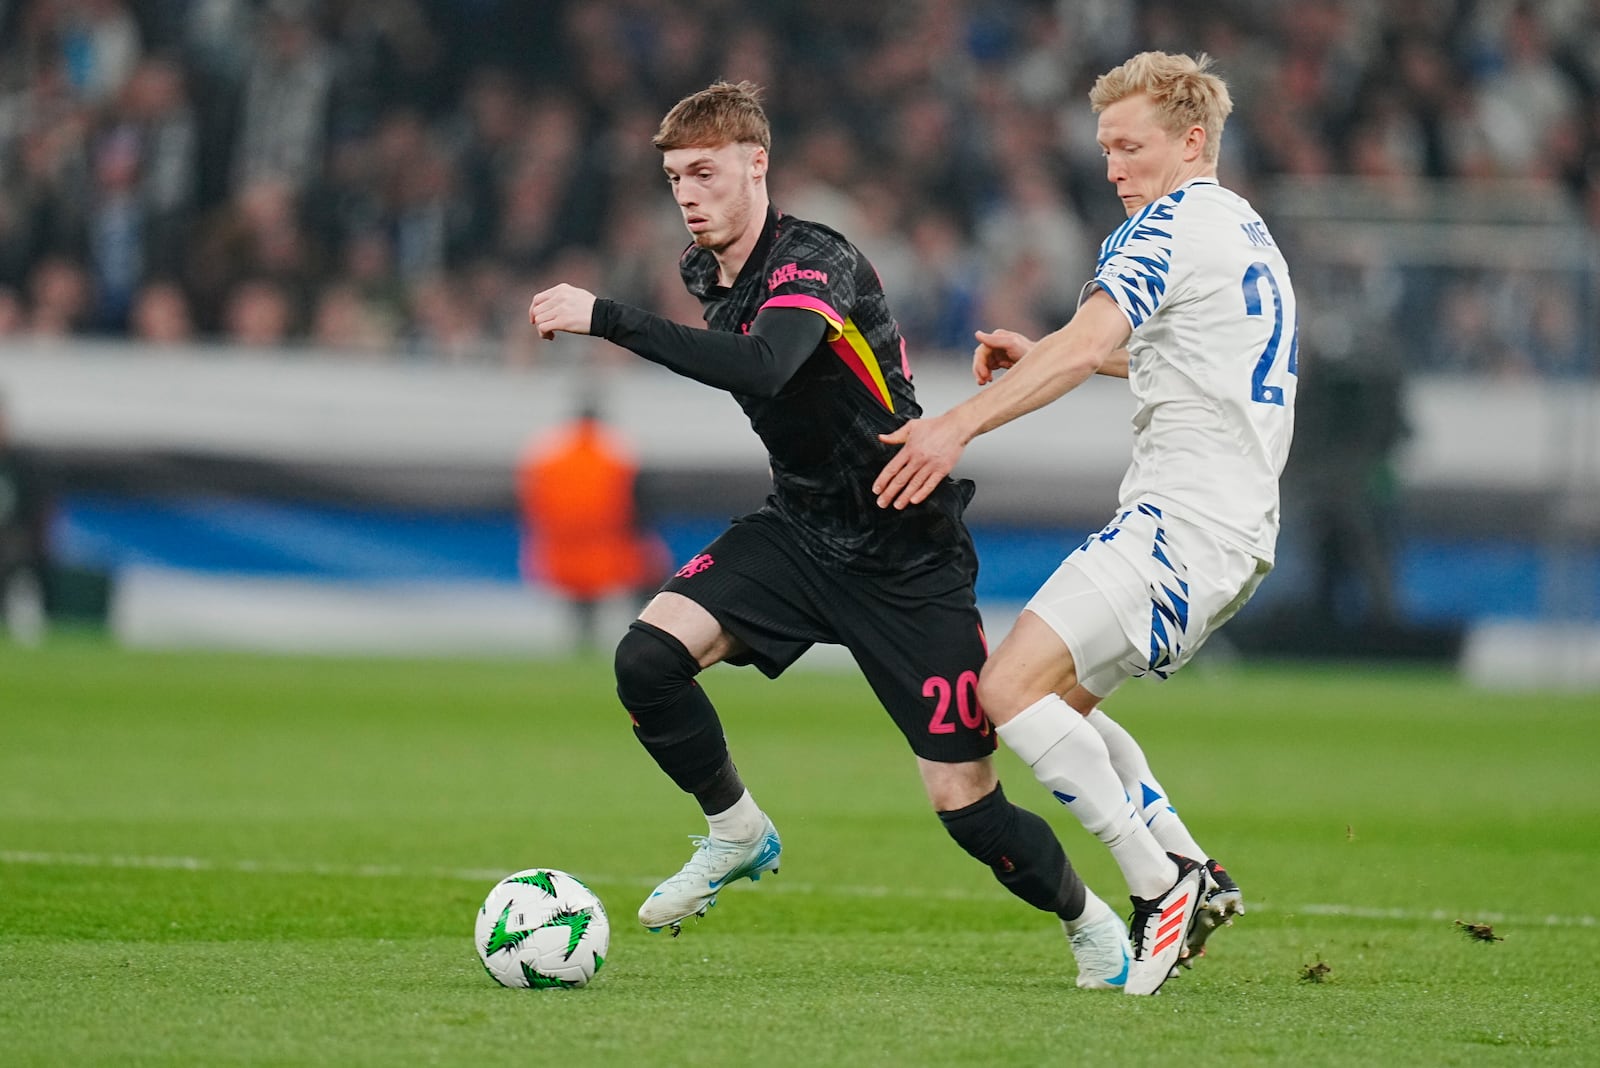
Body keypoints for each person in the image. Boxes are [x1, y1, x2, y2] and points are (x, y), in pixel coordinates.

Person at [529, 81, 1134, 992]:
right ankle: (737, 832)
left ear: (756, 165)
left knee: (964, 806)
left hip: (905, 551)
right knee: (646, 660)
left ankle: (1091, 925)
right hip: (801, 529)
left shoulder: (815, 258)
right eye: (673, 178)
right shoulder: (707, 271)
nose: (687, 194)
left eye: (704, 172)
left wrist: (606, 317)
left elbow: (771, 367)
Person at [873, 52, 1298, 994]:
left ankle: (1159, 888)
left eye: (1130, 146)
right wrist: (1054, 351)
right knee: (1062, 705)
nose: (1112, 168)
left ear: (1191, 143)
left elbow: (1093, 344)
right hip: (1232, 524)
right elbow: (1169, 360)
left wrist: (955, 427)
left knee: (1008, 689)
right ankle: (1198, 869)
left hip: (1182, 520)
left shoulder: (1164, 225)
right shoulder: (1243, 228)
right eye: (1104, 148)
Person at [515, 400, 668, 653]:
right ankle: (645, 636)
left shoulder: (549, 455)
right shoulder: (616, 451)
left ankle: (584, 641)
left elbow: (530, 502)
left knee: (581, 597)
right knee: (644, 586)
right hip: (612, 538)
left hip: (564, 541)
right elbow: (637, 499)